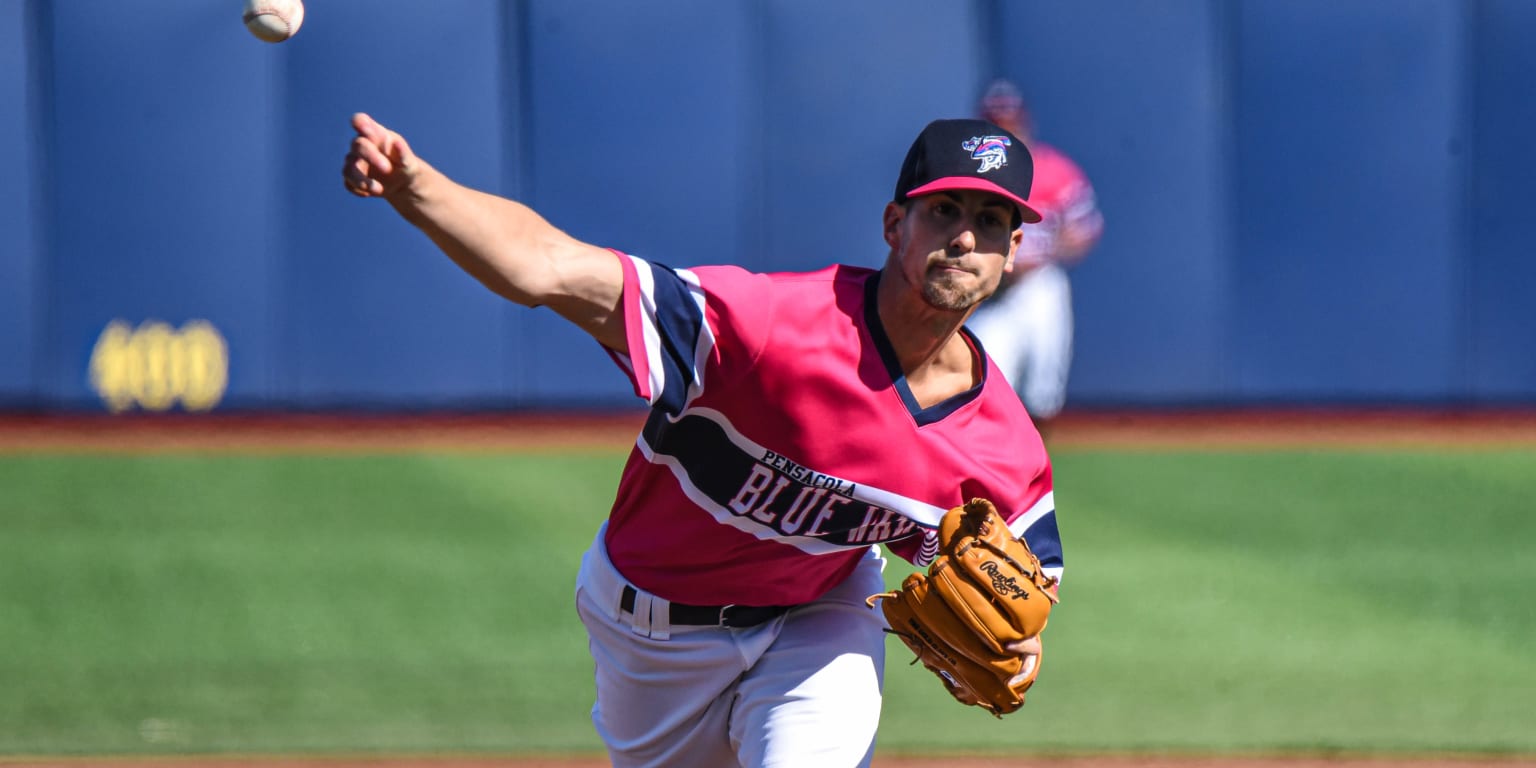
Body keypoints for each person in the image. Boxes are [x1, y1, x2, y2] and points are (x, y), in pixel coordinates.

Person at [342, 111, 1065, 767]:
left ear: (1013, 251)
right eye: (943, 211)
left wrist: (1016, 651)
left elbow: (1025, 609)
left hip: (819, 620)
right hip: (652, 635)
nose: (966, 238)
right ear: (892, 224)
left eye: (992, 221)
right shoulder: (766, 327)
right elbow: (549, 268)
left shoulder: (1004, 450)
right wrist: (417, 187)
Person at [964, 78, 1104, 435]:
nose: (1006, 131)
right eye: (997, 125)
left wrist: (1044, 254)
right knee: (987, 384)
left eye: (1010, 123)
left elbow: (1083, 231)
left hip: (1038, 284)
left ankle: (1036, 462)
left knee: (1044, 390)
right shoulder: (970, 176)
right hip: (989, 290)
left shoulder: (1055, 171)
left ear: (1024, 122)